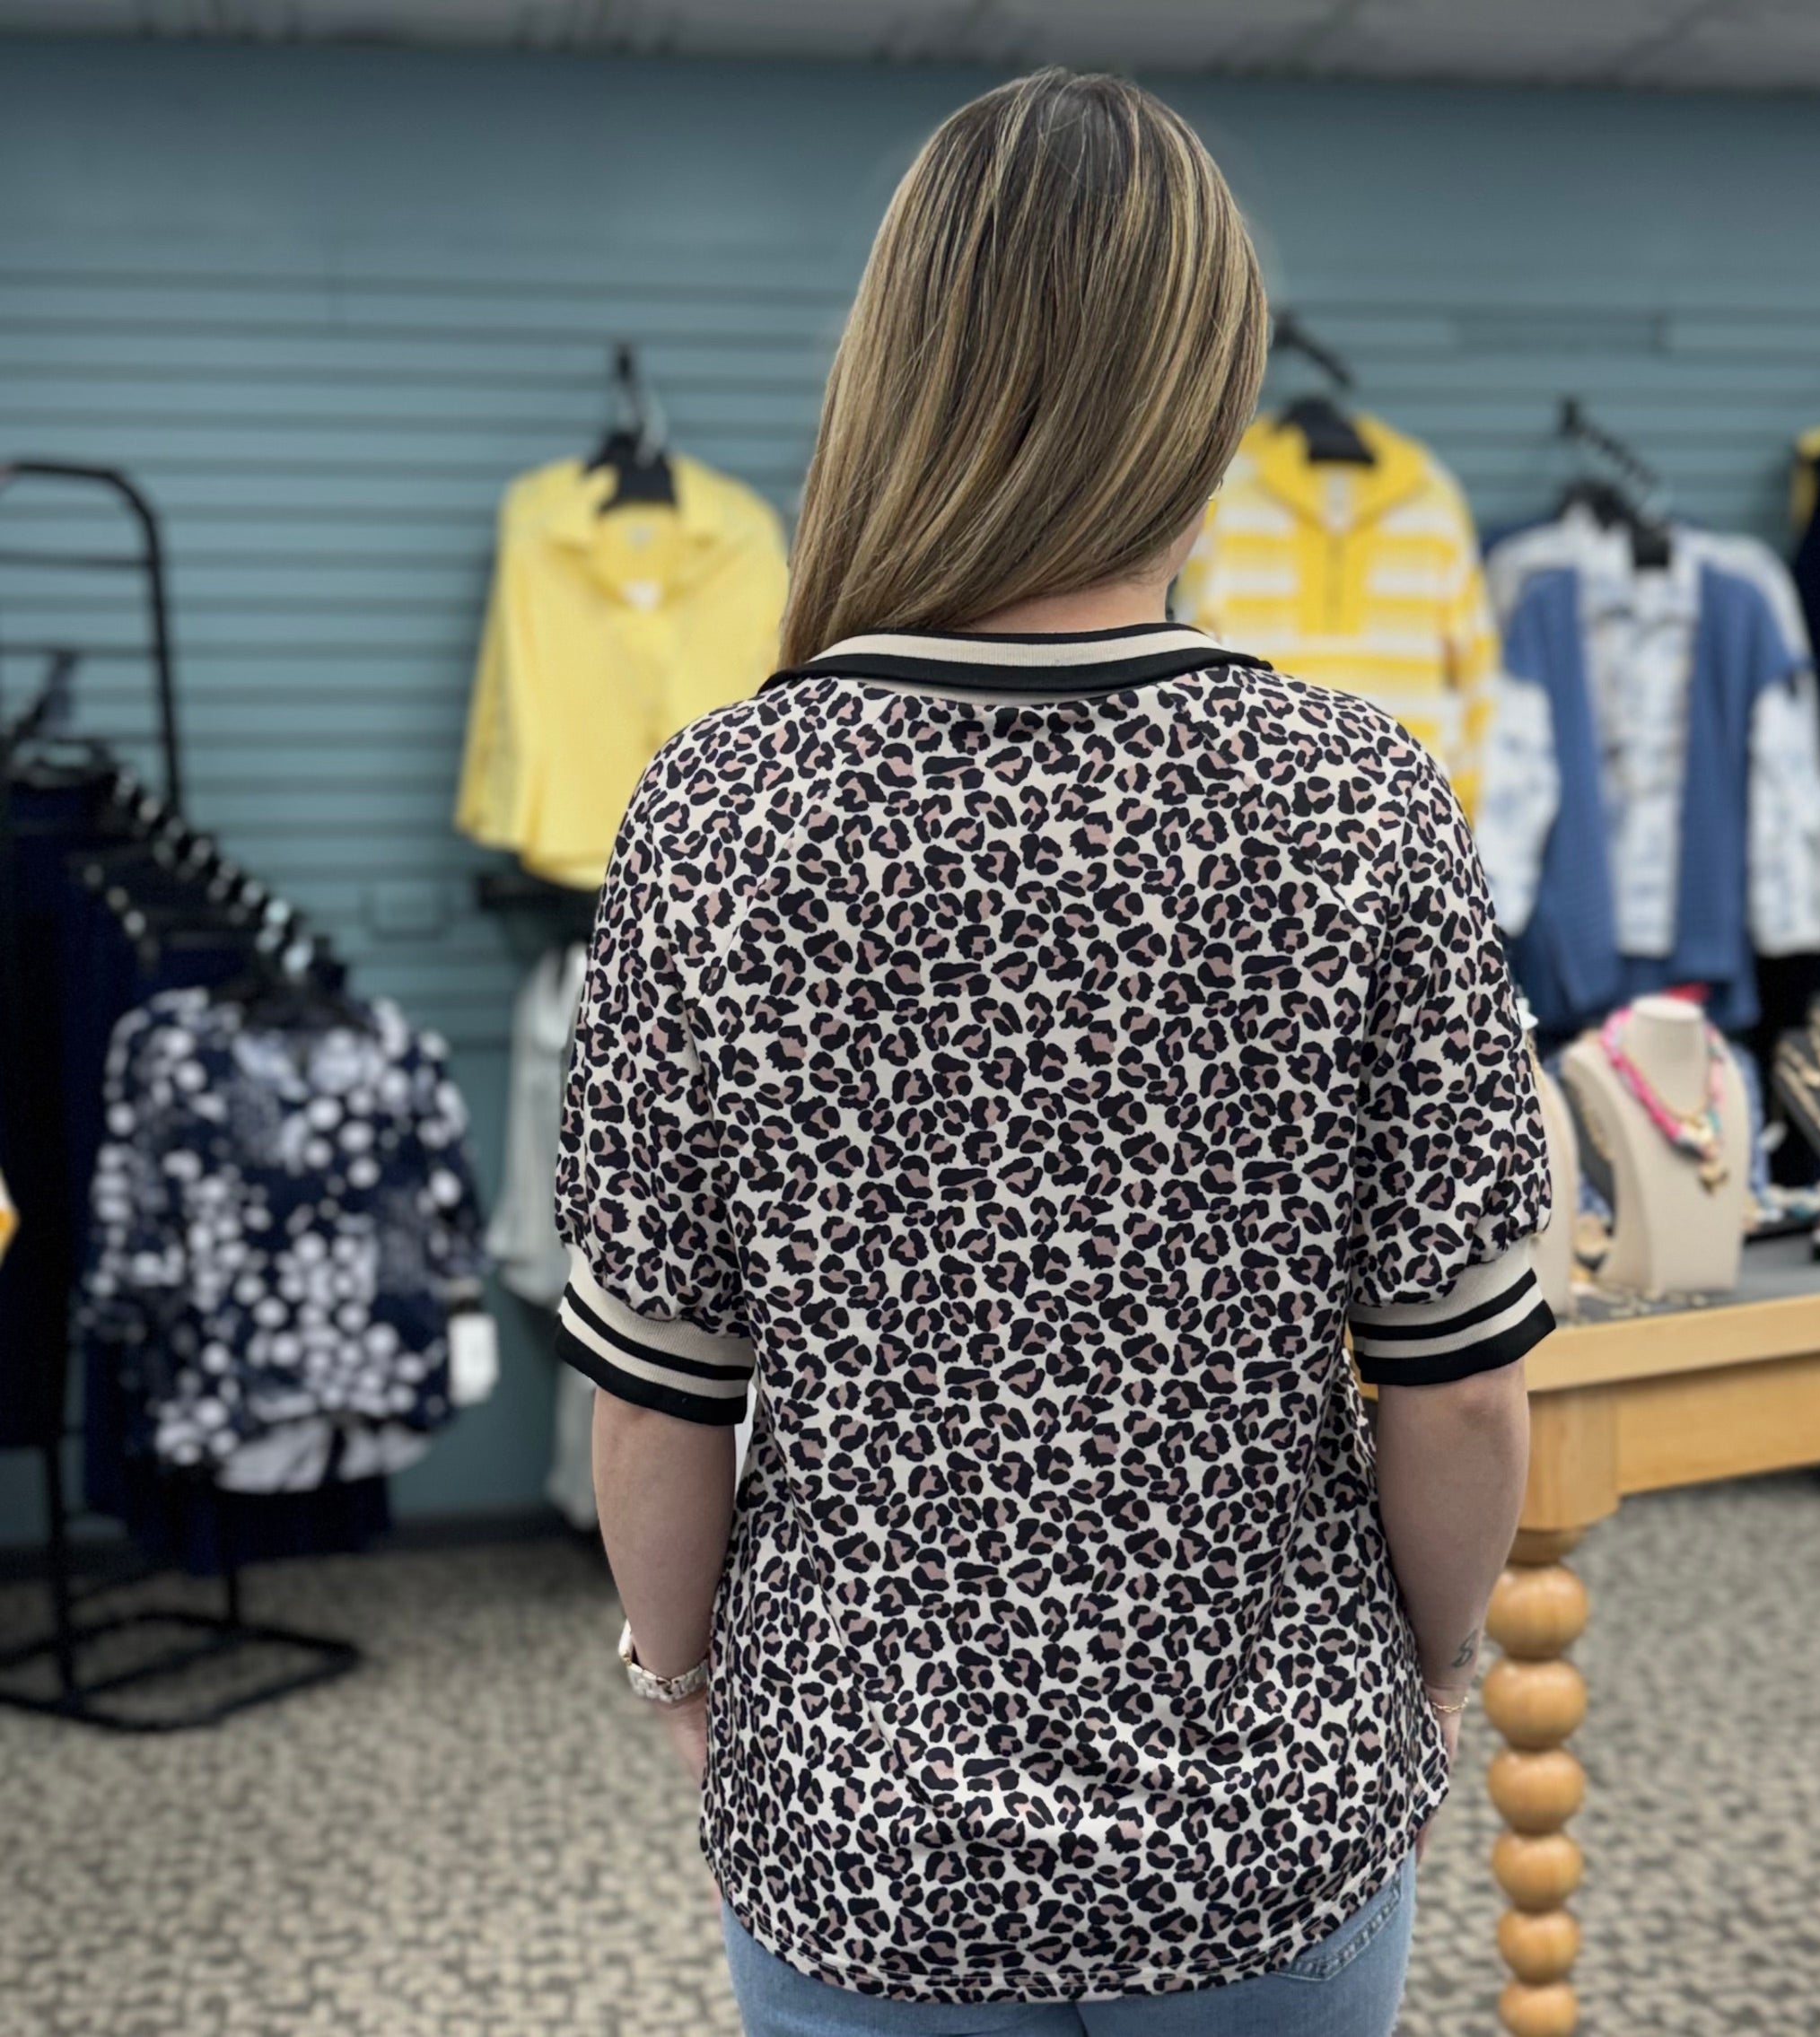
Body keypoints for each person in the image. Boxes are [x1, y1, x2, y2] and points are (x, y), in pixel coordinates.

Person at [554, 68, 1550, 2037]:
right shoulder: (1355, 800)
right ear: (1207, 388)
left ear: (898, 377)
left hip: (859, 1813)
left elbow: (661, 1399)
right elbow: (1456, 1390)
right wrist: (1420, 1669)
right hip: (1271, 1802)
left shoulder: (719, 812)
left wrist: (676, 1678)